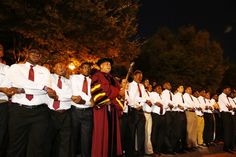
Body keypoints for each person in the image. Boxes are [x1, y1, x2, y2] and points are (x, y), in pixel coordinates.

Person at [5, 48, 56, 157]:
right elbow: (17, 83)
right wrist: (43, 87)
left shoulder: (45, 70)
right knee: (16, 145)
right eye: (33, 52)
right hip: (19, 111)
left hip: (40, 112)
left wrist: (22, 89)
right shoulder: (15, 67)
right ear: (27, 54)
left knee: (37, 147)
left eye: (39, 53)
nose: (36, 54)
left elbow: (46, 91)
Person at [91, 58, 123, 157]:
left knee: (113, 133)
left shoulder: (113, 78)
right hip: (102, 108)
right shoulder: (96, 76)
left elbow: (117, 92)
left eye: (110, 64)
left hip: (113, 108)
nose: (109, 65)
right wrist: (116, 92)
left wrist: (121, 92)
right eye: (106, 64)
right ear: (101, 66)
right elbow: (99, 91)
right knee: (102, 133)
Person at [46, 62, 72, 157]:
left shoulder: (69, 81)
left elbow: (71, 95)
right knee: (48, 139)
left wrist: (58, 96)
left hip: (65, 114)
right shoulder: (48, 78)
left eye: (64, 67)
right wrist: (65, 96)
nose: (62, 68)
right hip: (50, 113)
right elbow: (49, 91)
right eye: (59, 66)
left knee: (65, 140)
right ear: (53, 68)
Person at [71, 62, 93, 157]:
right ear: (80, 69)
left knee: (86, 139)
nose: (87, 69)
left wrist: (88, 103)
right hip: (75, 111)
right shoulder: (73, 78)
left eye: (88, 68)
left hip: (88, 112)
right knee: (73, 137)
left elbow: (94, 96)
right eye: (84, 67)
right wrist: (88, 101)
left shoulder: (93, 81)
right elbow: (76, 92)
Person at [127, 70, 147, 156]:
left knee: (141, 133)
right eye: (138, 76)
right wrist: (136, 105)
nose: (140, 78)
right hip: (133, 111)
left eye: (141, 76)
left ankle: (140, 152)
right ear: (134, 76)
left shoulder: (142, 86)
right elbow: (130, 98)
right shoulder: (130, 85)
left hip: (140, 111)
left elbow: (144, 97)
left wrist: (141, 104)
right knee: (131, 133)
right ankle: (131, 153)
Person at [150, 85, 166, 156]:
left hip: (162, 116)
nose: (160, 89)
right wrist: (157, 103)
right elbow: (153, 102)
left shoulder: (161, 96)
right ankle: (153, 149)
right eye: (158, 88)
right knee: (154, 133)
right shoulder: (152, 94)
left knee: (161, 134)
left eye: (161, 88)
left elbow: (164, 105)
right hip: (155, 115)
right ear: (155, 89)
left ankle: (158, 150)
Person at [218, 86, 234, 153]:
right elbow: (229, 106)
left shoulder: (227, 97)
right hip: (225, 114)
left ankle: (229, 146)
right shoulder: (221, 96)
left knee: (230, 130)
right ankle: (226, 147)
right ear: (224, 89)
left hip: (229, 114)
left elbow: (231, 107)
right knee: (227, 131)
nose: (229, 91)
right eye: (228, 89)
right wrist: (232, 108)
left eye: (230, 90)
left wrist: (232, 107)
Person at [173, 85, 187, 152]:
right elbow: (175, 104)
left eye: (183, 87)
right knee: (178, 131)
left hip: (183, 113)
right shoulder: (176, 95)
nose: (182, 89)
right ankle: (177, 148)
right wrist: (179, 106)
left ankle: (183, 147)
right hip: (178, 113)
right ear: (177, 89)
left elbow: (185, 105)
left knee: (183, 130)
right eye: (181, 87)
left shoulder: (182, 96)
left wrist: (184, 107)